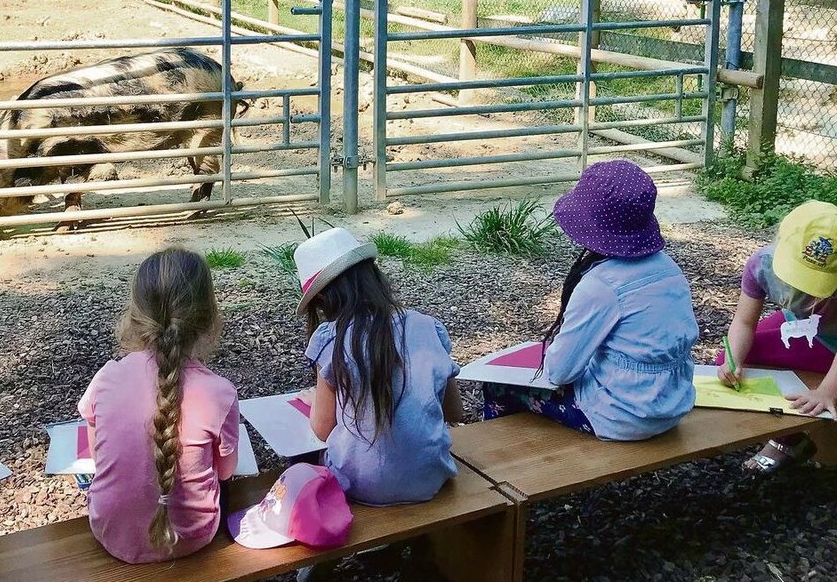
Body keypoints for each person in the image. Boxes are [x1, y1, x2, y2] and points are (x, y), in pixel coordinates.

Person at [481, 159, 698, 440]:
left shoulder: (600, 285)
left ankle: (509, 462)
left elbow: (559, 372)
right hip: (673, 404)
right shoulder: (668, 267)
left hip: (623, 416)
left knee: (499, 388)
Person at [78, 248, 240, 563]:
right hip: (194, 536)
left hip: (111, 532)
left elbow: (99, 460)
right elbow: (226, 472)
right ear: (209, 316)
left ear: (134, 314)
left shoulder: (107, 378)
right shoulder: (219, 393)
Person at [295, 226, 463, 506]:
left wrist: (320, 402)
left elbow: (323, 430)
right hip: (431, 478)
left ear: (321, 298)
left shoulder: (331, 339)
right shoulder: (426, 327)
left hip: (357, 485)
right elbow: (454, 411)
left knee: (300, 459)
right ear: (373, 274)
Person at [716, 200, 837, 473]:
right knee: (731, 358)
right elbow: (744, 322)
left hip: (831, 342)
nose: (804, 292)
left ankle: (803, 444)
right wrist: (734, 360)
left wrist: (826, 391)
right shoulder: (761, 264)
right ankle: (790, 439)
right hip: (803, 329)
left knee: (824, 407)